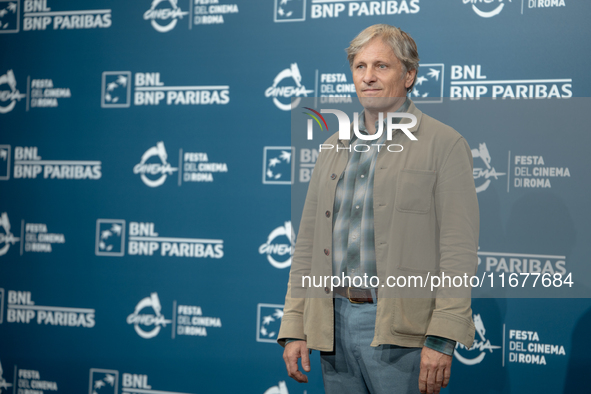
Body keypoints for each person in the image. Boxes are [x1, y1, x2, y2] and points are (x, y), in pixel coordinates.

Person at [278, 24, 480, 394]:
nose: (368, 77)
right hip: (331, 327)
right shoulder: (333, 145)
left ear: (409, 75)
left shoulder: (445, 144)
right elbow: (307, 243)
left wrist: (442, 336)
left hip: (403, 334)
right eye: (360, 66)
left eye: (381, 66)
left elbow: (458, 251)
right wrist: (294, 324)